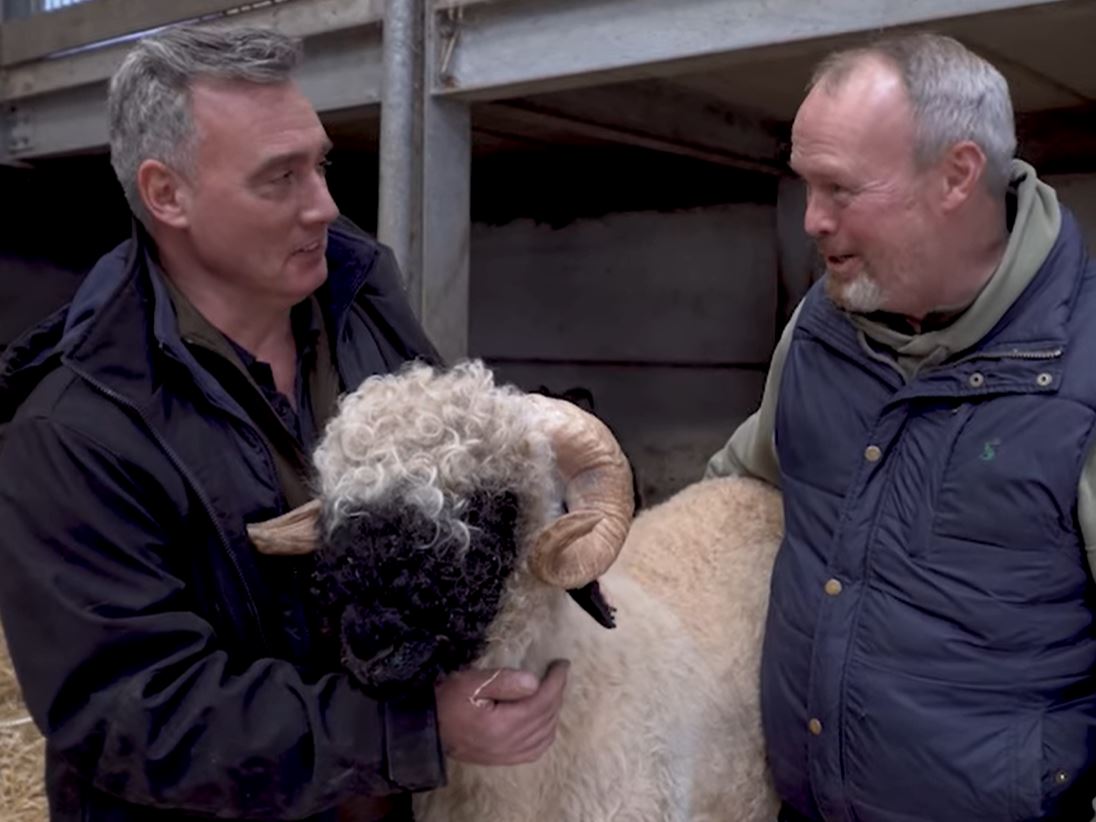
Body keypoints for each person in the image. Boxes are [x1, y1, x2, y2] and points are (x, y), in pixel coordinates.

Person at [0, 24, 568, 822]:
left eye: (320, 163)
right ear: (168, 195)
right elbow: (133, 711)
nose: (326, 203)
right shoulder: (75, 431)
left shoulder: (364, 303)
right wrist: (411, 730)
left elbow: (461, 495)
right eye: (280, 177)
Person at [707, 32, 1096, 822]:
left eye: (841, 189)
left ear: (957, 175)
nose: (812, 220)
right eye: (805, 185)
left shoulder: (1083, 364)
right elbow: (739, 488)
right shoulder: (819, 327)